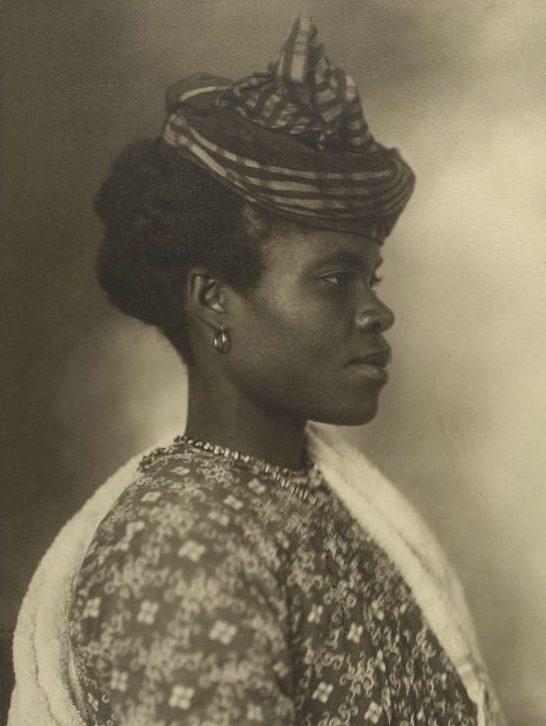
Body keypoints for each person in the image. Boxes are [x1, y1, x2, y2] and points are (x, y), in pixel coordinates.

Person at [9, 13, 506, 726]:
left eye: (374, 279)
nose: (377, 313)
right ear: (215, 299)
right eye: (336, 280)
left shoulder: (317, 498)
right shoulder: (185, 545)